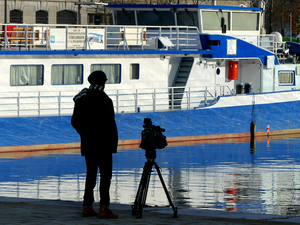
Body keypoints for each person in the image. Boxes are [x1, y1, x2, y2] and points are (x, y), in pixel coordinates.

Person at [71, 70, 118, 219]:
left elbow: (74, 121)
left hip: (88, 143)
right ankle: (104, 207)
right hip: (104, 144)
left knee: (90, 175)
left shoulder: (82, 98)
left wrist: (84, 134)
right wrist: (112, 144)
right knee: (105, 176)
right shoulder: (105, 100)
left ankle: (87, 207)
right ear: (103, 82)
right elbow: (110, 124)